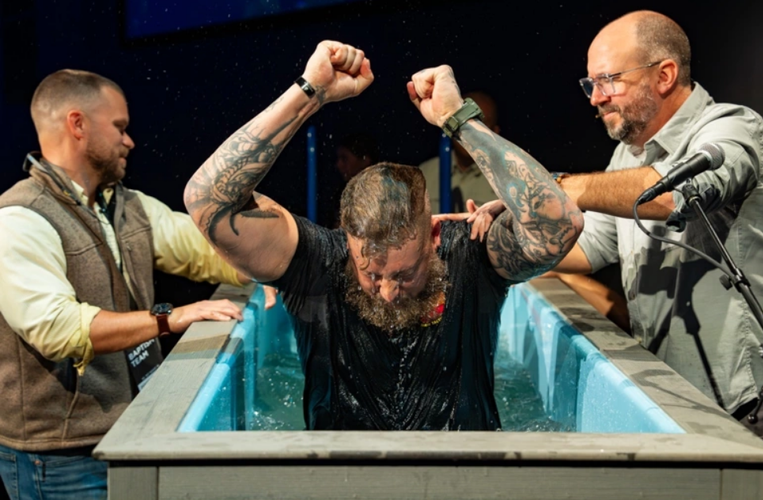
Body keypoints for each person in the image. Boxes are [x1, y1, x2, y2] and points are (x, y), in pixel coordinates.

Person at [184, 41, 583, 431]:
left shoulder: (471, 256)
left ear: (434, 235)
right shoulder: (315, 265)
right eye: (372, 275)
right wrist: (309, 92)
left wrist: (459, 119)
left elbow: (561, 225)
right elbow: (205, 199)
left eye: (405, 274)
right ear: (347, 240)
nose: (388, 293)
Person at [543, 10, 763, 499]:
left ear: (664, 75)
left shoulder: (733, 128)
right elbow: (586, 246)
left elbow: (675, 194)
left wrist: (569, 188)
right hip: (673, 406)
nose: (596, 98)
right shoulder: (627, 158)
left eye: (608, 80)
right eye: (590, 84)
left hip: (749, 409)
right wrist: (502, 235)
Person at [0, 69, 271, 500]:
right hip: (61, 457)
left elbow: (201, 249)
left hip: (128, 432)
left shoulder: (128, 204)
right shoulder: (19, 218)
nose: (130, 141)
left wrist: (264, 266)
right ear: (77, 124)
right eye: (120, 127)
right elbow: (57, 329)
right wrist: (169, 318)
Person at [419, 90, 500, 213]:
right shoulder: (425, 174)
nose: (469, 134)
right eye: (461, 124)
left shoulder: (506, 181)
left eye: (479, 126)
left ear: (495, 132)